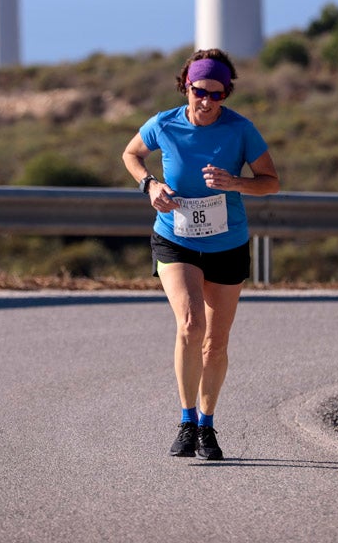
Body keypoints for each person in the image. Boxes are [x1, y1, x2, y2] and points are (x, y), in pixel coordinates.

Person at [121, 48, 280, 460]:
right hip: (175, 238)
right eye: (199, 91)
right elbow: (131, 154)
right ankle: (186, 420)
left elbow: (270, 182)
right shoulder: (164, 124)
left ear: (226, 93)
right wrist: (150, 186)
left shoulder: (241, 130)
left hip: (228, 242)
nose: (207, 101)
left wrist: (235, 183)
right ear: (185, 87)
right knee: (190, 324)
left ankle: (207, 425)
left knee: (216, 342)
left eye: (217, 93)